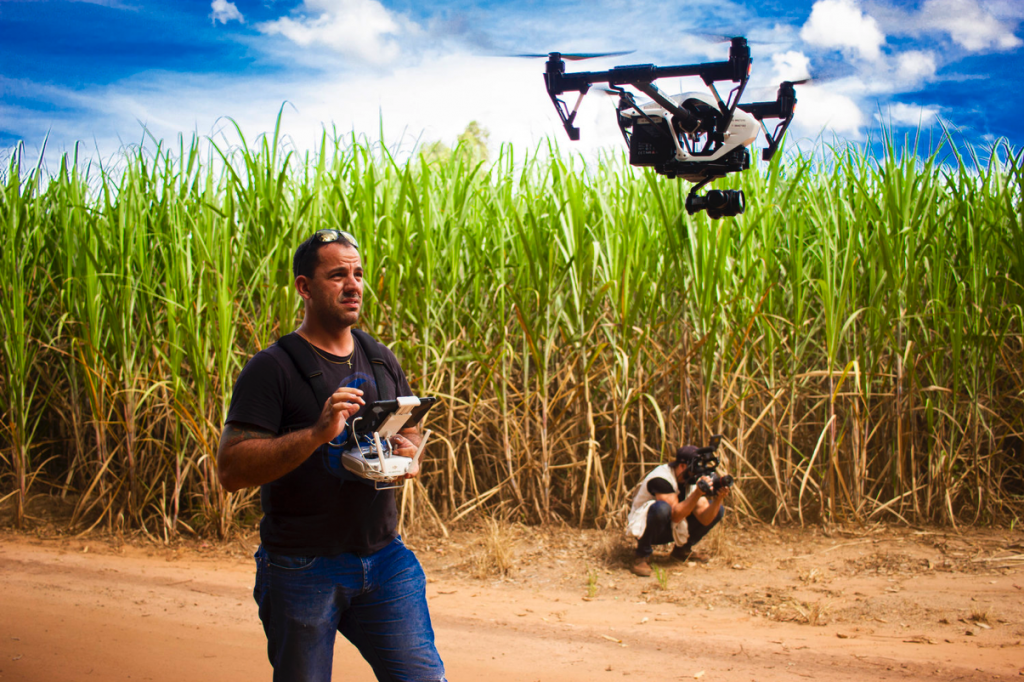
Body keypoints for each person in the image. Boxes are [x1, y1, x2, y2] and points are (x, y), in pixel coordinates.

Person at [217, 228, 446, 682]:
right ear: (304, 287)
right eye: (337, 274)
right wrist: (318, 433)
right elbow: (231, 469)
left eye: (358, 274)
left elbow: (413, 428)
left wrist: (410, 452)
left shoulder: (379, 359)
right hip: (301, 567)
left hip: (385, 560)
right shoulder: (273, 367)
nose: (353, 284)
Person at [626, 445, 730, 577]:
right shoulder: (661, 478)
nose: (697, 472)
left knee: (718, 510)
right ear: (682, 466)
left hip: (672, 528)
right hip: (646, 528)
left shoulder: (690, 479)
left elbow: (705, 519)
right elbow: (674, 515)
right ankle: (641, 555)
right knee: (662, 508)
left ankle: (682, 550)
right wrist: (697, 493)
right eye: (695, 468)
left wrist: (718, 499)